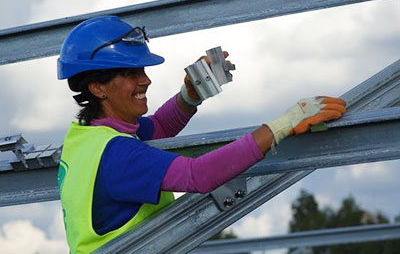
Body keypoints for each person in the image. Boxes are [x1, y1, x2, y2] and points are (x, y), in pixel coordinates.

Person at [57, 16, 346, 253]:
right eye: (131, 73)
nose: (146, 79)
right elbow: (197, 175)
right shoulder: (118, 154)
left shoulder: (85, 137)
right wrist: (284, 123)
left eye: (142, 70)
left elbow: (157, 129)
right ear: (98, 87)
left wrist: (189, 96)